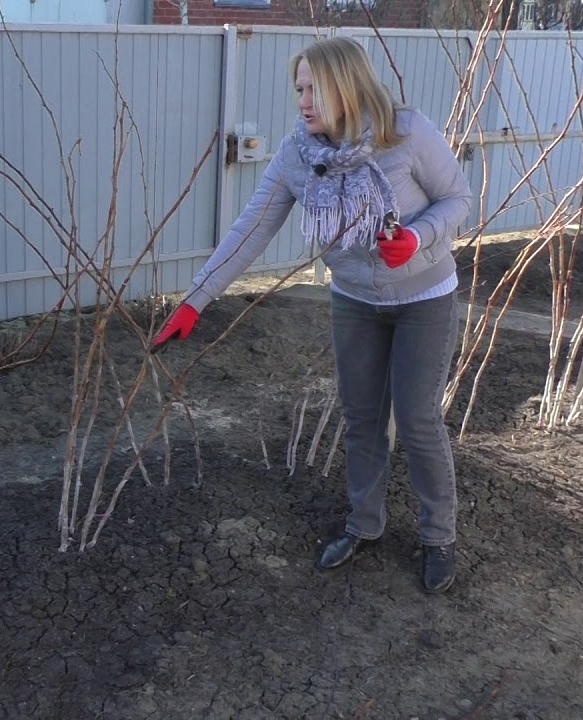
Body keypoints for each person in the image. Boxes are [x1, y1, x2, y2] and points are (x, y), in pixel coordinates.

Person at [149, 37, 472, 594]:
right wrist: (195, 301)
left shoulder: (406, 132)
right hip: (355, 301)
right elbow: (251, 229)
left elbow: (460, 198)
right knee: (362, 417)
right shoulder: (298, 155)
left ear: (346, 84)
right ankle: (364, 524)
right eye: (298, 88)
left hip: (424, 297)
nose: (302, 100)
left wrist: (417, 237)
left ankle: (438, 536)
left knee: (418, 420)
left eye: (312, 88)